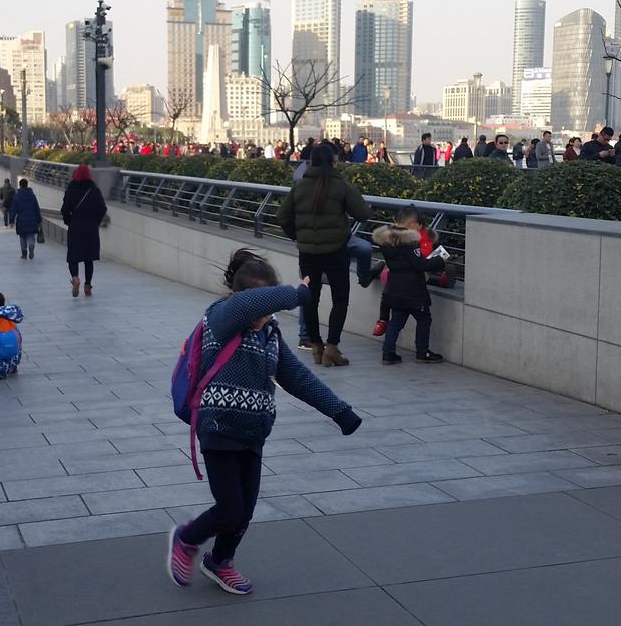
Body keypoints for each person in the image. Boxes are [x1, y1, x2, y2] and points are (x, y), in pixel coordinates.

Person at [166, 249, 361, 595]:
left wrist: (339, 410)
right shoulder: (222, 318)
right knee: (229, 509)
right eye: (261, 307)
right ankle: (186, 538)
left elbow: (298, 378)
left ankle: (220, 561)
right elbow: (249, 305)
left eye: (269, 310)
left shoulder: (269, 334)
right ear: (243, 299)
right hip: (219, 429)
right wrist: (298, 293)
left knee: (244, 511)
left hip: (253, 433)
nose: (263, 315)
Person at [278, 145, 372, 367]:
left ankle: (316, 347)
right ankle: (332, 348)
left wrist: (297, 236)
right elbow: (362, 213)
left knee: (310, 300)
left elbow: (282, 216)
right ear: (332, 162)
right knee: (340, 300)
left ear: (311, 162)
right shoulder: (340, 186)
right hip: (336, 252)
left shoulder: (299, 188)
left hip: (307, 254)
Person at [373, 206, 446, 365]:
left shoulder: (387, 241)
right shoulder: (410, 242)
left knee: (396, 321)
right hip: (413, 290)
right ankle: (422, 352)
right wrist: (440, 260)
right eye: (418, 224)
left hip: (395, 287)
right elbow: (419, 264)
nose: (420, 228)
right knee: (424, 319)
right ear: (411, 224)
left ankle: (388, 353)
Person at [61, 164, 108, 298]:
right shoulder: (94, 190)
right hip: (91, 229)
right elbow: (103, 209)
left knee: (73, 257)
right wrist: (96, 222)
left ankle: (75, 278)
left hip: (75, 227)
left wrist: (69, 221)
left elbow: (64, 210)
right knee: (89, 259)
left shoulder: (71, 189)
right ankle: (88, 285)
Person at [10, 178, 43, 259]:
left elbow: (13, 209)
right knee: (31, 236)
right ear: (27, 185)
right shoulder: (32, 196)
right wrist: (39, 220)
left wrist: (11, 220)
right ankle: (31, 246)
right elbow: (36, 208)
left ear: (20, 185)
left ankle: (24, 253)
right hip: (32, 220)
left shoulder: (17, 196)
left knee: (22, 237)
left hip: (21, 221)